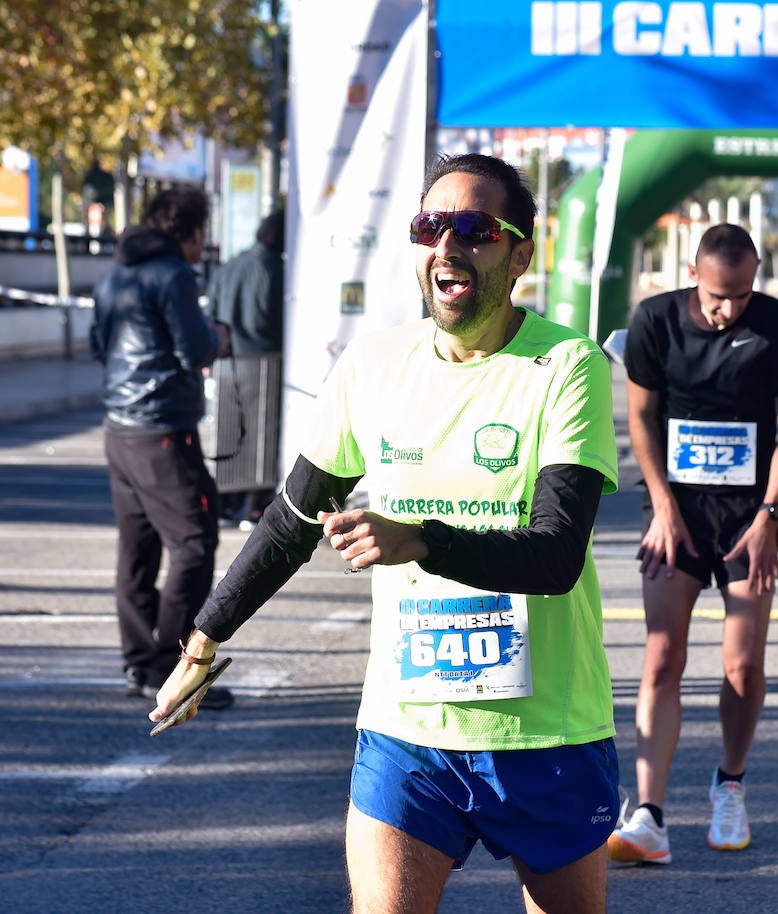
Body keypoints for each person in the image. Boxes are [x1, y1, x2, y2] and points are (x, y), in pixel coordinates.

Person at [149, 154, 622, 914]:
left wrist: (422, 540)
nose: (447, 245)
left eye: (475, 228)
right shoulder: (373, 364)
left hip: (549, 738)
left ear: (521, 254)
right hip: (409, 735)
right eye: (430, 226)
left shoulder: (566, 365)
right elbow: (290, 522)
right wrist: (204, 637)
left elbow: (557, 554)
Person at [608, 224, 778, 864]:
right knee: (662, 656)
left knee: (743, 663)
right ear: (694, 273)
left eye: (742, 293)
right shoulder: (654, 321)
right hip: (676, 511)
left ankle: (730, 784)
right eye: (719, 296)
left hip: (749, 516)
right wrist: (663, 507)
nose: (729, 309)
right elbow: (639, 418)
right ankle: (648, 816)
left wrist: (769, 517)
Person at [90, 185, 234, 711]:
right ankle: (175, 670)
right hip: (163, 427)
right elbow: (194, 348)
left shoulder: (114, 274)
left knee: (138, 549)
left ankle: (138, 662)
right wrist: (216, 336)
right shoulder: (174, 273)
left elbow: (97, 346)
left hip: (119, 428)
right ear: (192, 231)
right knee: (195, 540)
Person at [206, 210, 286, 528]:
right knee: (262, 434)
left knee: (229, 433)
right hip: (265, 360)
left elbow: (211, 312)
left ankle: (225, 504)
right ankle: (255, 507)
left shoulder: (229, 267)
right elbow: (278, 318)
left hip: (226, 360)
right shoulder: (275, 269)